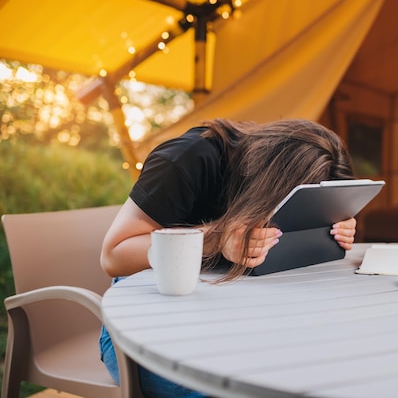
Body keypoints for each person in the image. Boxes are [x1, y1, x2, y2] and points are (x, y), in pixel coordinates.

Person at [99, 118, 358, 398]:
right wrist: (217, 238)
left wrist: (330, 227)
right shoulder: (188, 158)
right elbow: (114, 255)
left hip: (220, 321)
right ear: (272, 180)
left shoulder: (261, 184)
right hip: (141, 334)